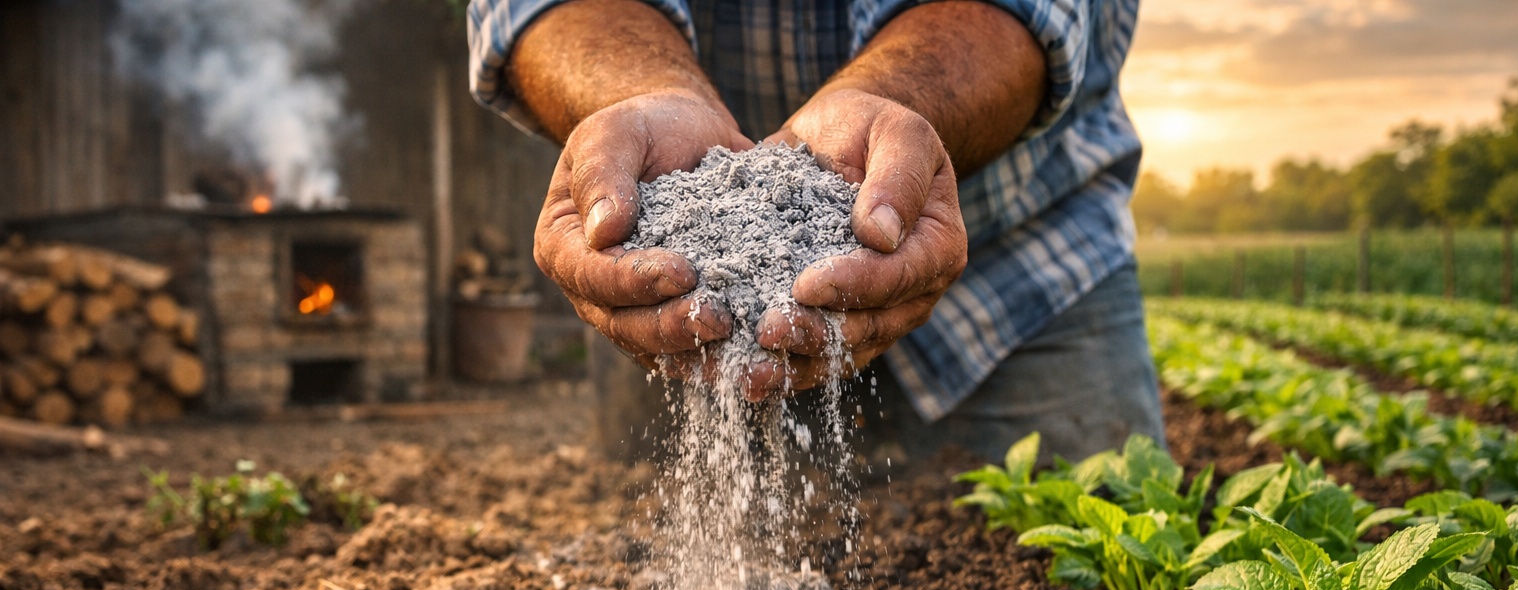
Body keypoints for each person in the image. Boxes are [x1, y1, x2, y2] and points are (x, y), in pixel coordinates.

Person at [468, 0, 1164, 464]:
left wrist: (891, 109)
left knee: (1084, 557)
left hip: (1024, 278)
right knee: (652, 576)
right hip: (671, 305)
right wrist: (636, 96)